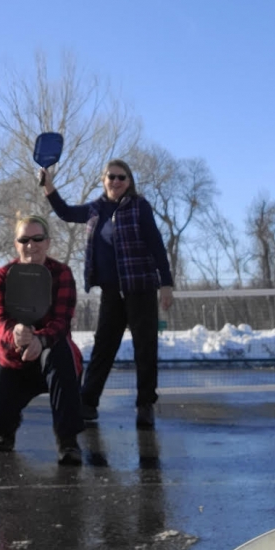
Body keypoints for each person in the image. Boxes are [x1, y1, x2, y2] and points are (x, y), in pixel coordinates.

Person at [42, 159, 173, 430]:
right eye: (111, 177)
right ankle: (88, 403)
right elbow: (65, 212)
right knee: (103, 346)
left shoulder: (139, 206)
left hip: (140, 288)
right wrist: (49, 187)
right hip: (112, 292)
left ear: (129, 181)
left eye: (121, 177)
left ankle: (145, 405)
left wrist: (166, 283)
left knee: (145, 348)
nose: (116, 182)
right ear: (103, 180)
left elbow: (156, 244)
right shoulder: (95, 209)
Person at [0, 214, 84, 465]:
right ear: (16, 244)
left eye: (37, 238)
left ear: (48, 242)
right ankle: (7, 426)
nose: (31, 245)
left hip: (50, 355)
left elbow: (62, 321)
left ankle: (67, 441)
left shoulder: (62, 274)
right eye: (24, 240)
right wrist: (15, 334)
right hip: (12, 359)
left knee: (60, 353)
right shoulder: (1, 277)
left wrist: (39, 341)